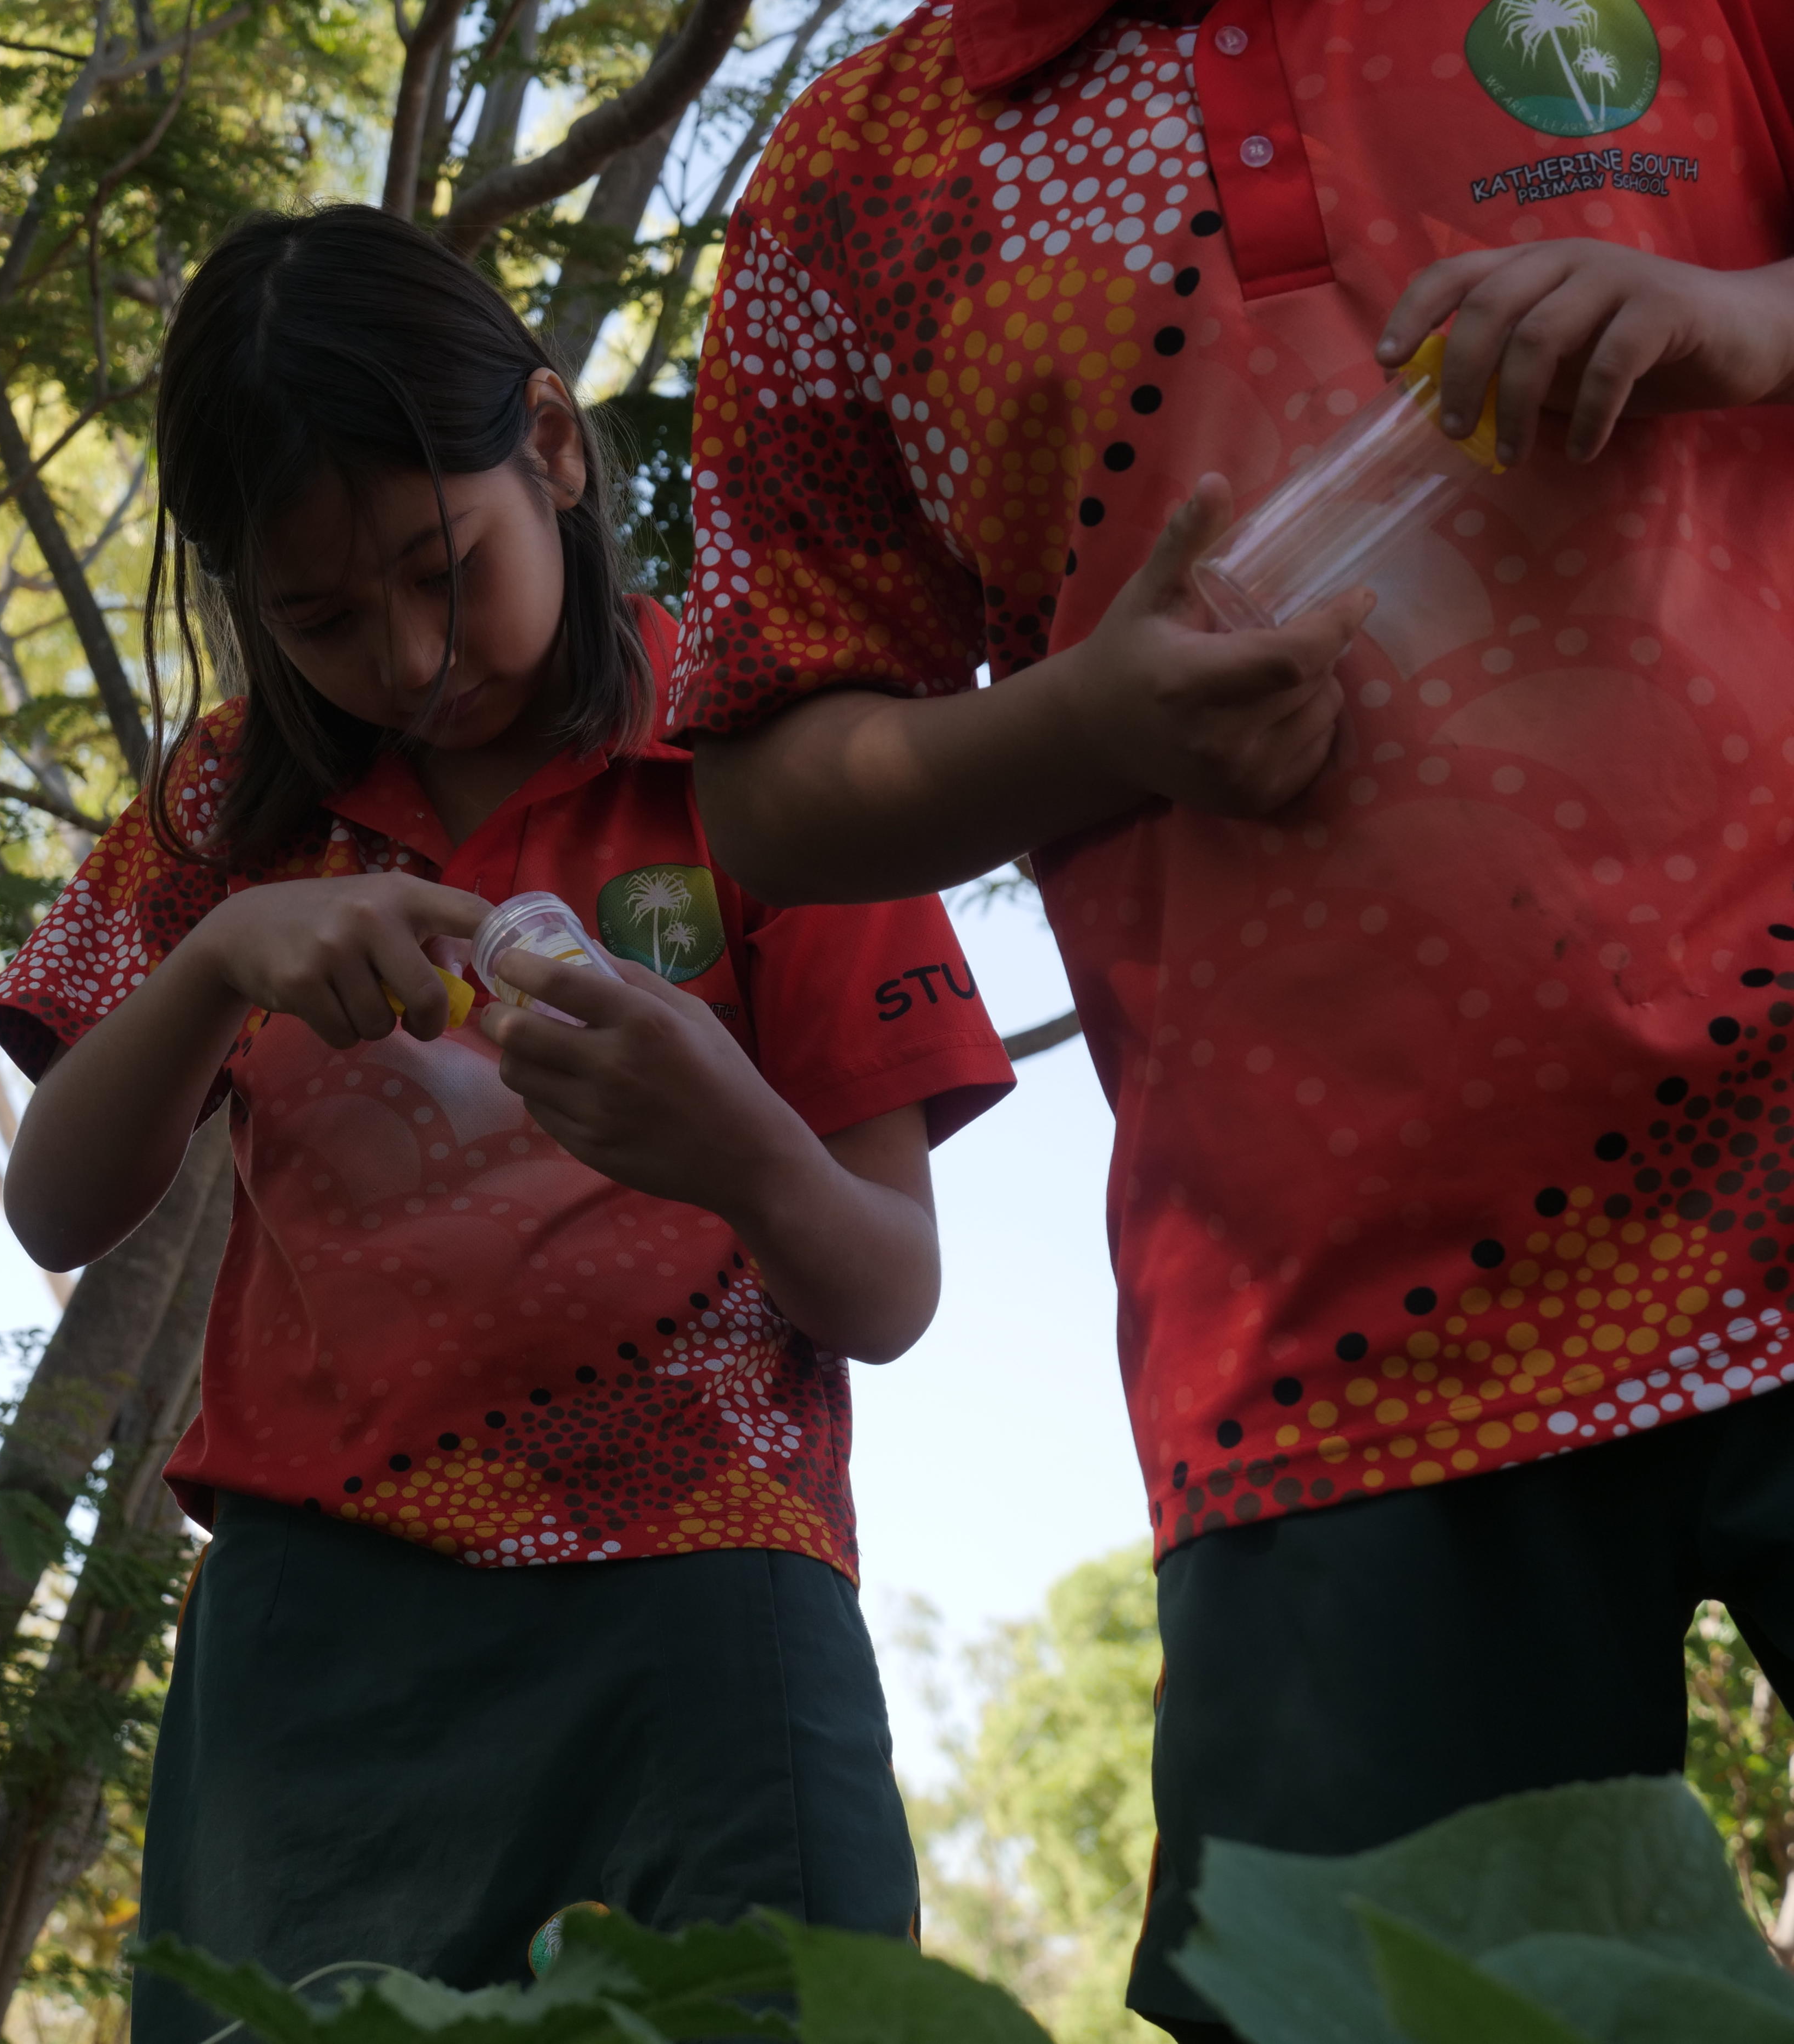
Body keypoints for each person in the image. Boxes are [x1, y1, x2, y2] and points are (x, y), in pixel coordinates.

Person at [667, 1, 1794, 2035]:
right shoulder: (860, 182)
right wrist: (1078, 727)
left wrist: (1744, 324)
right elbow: (761, 777)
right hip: (1340, 1339)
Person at [0, 205, 1014, 2038]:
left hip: (704, 1612)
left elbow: (888, 1288)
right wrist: (220, 954)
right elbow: (57, 1203)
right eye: (316, 612)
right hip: (322, 1652)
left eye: (437, 565)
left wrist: (736, 1145)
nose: (402, 650)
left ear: (551, 447)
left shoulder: (764, 755)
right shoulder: (227, 807)